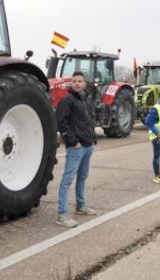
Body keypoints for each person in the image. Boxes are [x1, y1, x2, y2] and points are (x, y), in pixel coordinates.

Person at [55, 71, 98, 228]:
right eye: (74, 81)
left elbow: (89, 120)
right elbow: (61, 123)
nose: (77, 83)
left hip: (88, 145)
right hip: (76, 147)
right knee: (67, 180)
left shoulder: (85, 99)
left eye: (80, 81)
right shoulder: (67, 100)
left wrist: (93, 138)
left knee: (82, 176)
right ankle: (61, 214)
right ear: (71, 83)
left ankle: (80, 206)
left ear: (84, 83)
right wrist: (73, 142)